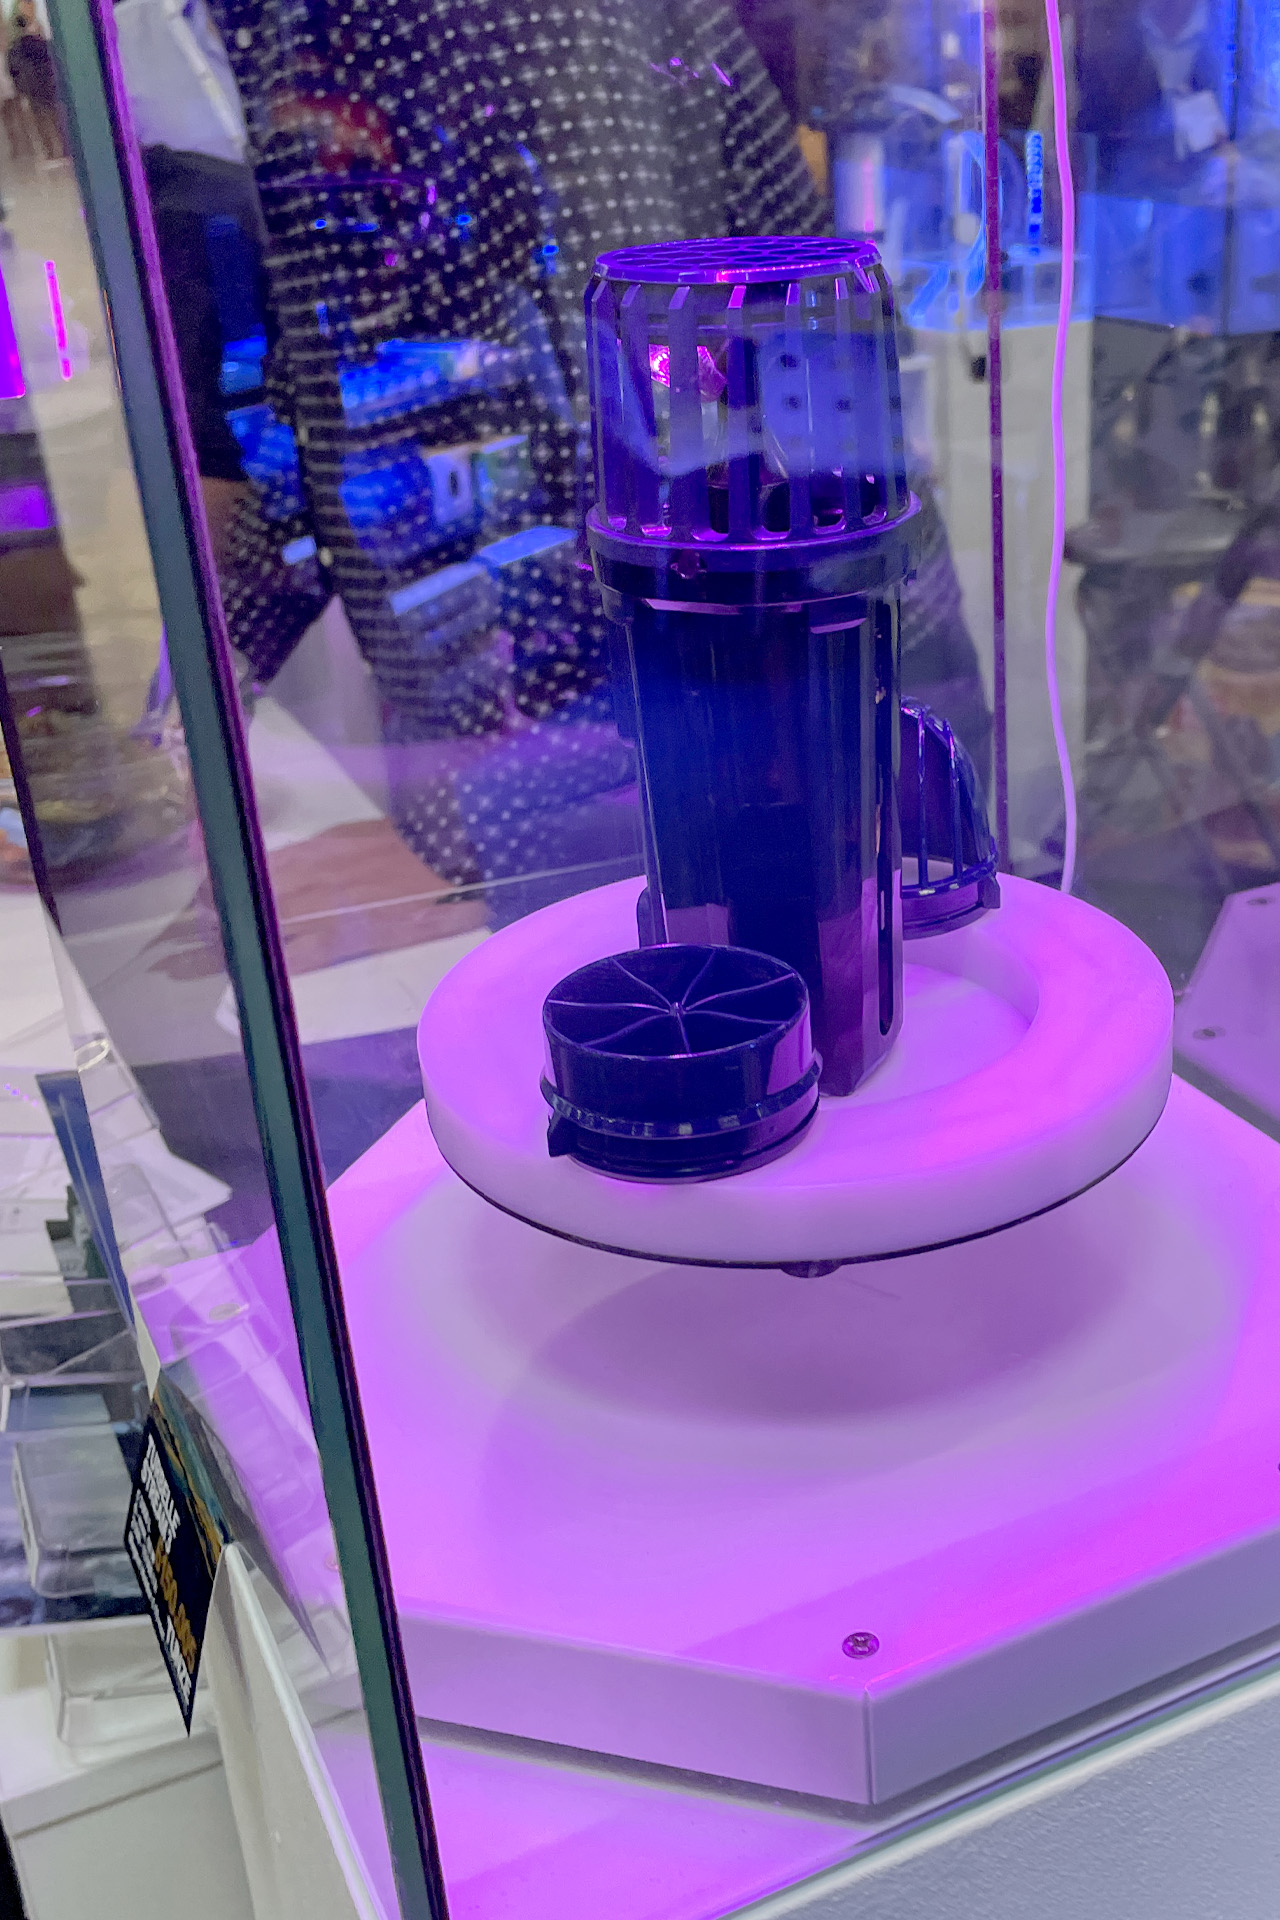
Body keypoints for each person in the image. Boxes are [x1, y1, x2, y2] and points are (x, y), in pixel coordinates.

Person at [6, 0, 64, 164]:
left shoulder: (15, 48)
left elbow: (14, 70)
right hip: (45, 83)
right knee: (55, 116)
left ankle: (50, 152)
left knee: (41, 120)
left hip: (32, 87)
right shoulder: (42, 44)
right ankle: (62, 148)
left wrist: (20, 87)